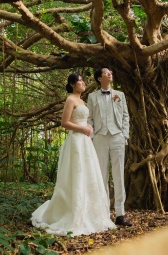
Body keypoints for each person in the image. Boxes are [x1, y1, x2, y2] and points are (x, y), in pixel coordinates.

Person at [31, 73, 116, 236]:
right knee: (76, 173)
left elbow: (82, 120)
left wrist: (88, 127)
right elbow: (65, 123)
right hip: (76, 141)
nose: (83, 83)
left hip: (85, 141)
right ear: (72, 84)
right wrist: (82, 128)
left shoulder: (82, 101)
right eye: (80, 81)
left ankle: (90, 213)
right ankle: (72, 211)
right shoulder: (70, 99)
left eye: (83, 80)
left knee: (88, 173)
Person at [86, 66, 133, 227]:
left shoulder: (120, 95)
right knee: (102, 176)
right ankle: (104, 213)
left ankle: (120, 214)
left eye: (111, 72)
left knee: (119, 175)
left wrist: (124, 135)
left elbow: (126, 116)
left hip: (117, 136)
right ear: (99, 78)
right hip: (100, 137)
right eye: (107, 73)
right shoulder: (92, 97)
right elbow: (89, 118)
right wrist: (93, 136)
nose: (110, 74)